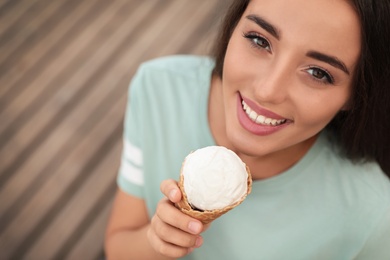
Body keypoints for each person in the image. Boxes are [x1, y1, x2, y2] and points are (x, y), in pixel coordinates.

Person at [104, 0, 390, 259]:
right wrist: (159, 240)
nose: (268, 90)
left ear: (356, 93)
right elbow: (117, 248)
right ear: (234, 24)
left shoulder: (373, 213)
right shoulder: (160, 89)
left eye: (319, 73)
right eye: (259, 40)